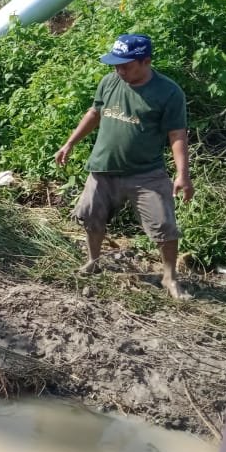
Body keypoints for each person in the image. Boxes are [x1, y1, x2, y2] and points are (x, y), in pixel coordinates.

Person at [54, 33, 193, 300]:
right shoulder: (109, 82)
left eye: (126, 65)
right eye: (116, 65)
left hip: (146, 174)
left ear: (146, 61)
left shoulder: (168, 92)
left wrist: (182, 175)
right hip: (104, 168)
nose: (119, 70)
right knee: (92, 218)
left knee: (164, 226)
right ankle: (93, 261)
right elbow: (94, 113)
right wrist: (69, 143)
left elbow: (177, 134)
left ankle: (170, 277)